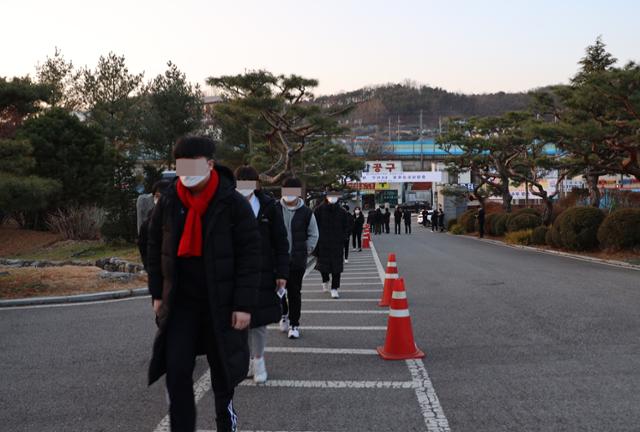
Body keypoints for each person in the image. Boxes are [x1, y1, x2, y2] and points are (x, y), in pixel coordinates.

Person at [147, 136, 261, 432]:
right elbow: (154, 245)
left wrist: (243, 305)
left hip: (220, 304)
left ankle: (227, 423)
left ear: (210, 165)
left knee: (223, 374)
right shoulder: (170, 200)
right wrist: (157, 293)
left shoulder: (232, 203)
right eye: (180, 166)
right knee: (177, 370)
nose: (185, 173)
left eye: (192, 165)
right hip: (181, 302)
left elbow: (251, 255)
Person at [234, 165, 289, 384]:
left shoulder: (268, 206)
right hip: (236, 273)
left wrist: (282, 271)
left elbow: (281, 241)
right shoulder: (228, 205)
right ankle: (247, 360)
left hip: (264, 272)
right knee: (238, 320)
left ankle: (259, 361)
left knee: (258, 322)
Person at [278, 178, 319, 339]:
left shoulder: (307, 212)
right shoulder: (275, 209)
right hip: (279, 260)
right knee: (280, 291)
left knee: (294, 292)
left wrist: (305, 250)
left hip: (297, 260)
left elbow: (314, 234)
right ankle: (284, 314)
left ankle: (294, 324)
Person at [314, 193, 351, 299]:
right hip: (322, 243)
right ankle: (325, 280)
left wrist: (344, 237)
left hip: (337, 244)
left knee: (337, 268)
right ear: (326, 197)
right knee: (323, 266)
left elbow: (347, 226)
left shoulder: (342, 212)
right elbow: (313, 226)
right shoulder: (318, 210)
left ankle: (334, 288)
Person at [138, 179, 170, 270]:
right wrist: (148, 266)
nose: (160, 200)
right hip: (156, 268)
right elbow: (142, 245)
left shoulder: (177, 217)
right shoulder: (148, 221)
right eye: (157, 196)